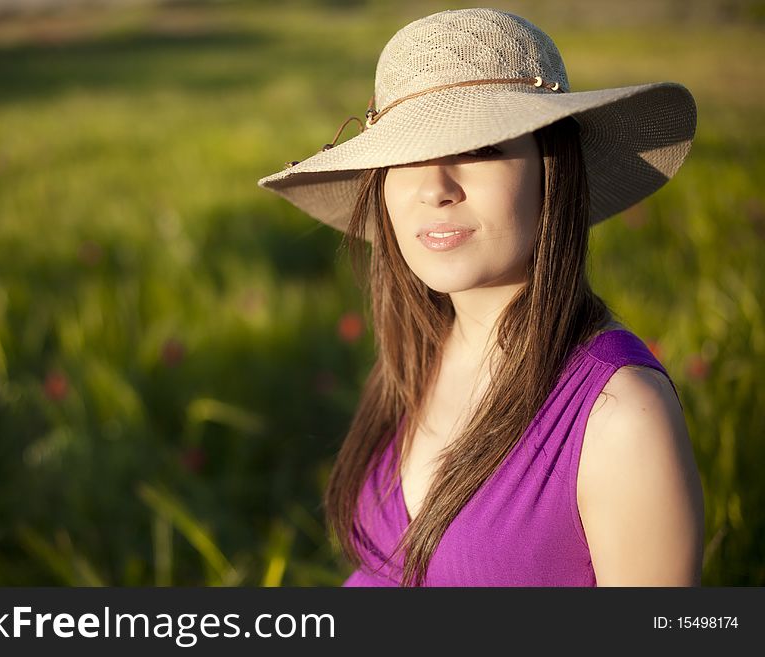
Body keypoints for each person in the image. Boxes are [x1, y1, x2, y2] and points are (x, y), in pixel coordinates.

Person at [257, 8, 705, 587]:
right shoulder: (421, 355)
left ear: (553, 169)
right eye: (405, 155)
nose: (434, 187)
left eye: (483, 147)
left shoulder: (620, 416)